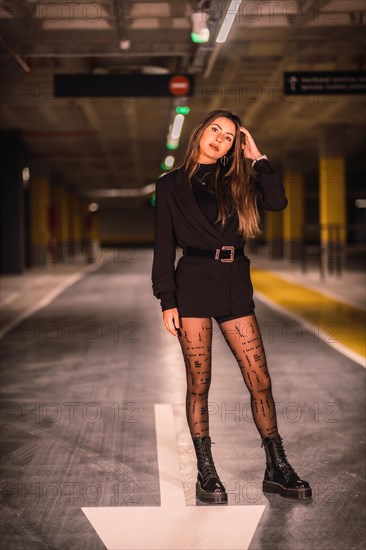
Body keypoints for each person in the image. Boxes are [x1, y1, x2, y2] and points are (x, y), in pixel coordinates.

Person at [151, 109, 312, 504]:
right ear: (201, 132)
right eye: (215, 130)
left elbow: (277, 202)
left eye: (228, 137)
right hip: (192, 283)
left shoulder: (237, 178)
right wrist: (166, 300)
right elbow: (163, 247)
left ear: (233, 147)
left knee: (260, 379)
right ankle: (206, 473)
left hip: (234, 281)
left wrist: (259, 160)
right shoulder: (170, 184)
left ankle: (277, 467)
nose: (219, 139)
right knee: (199, 384)